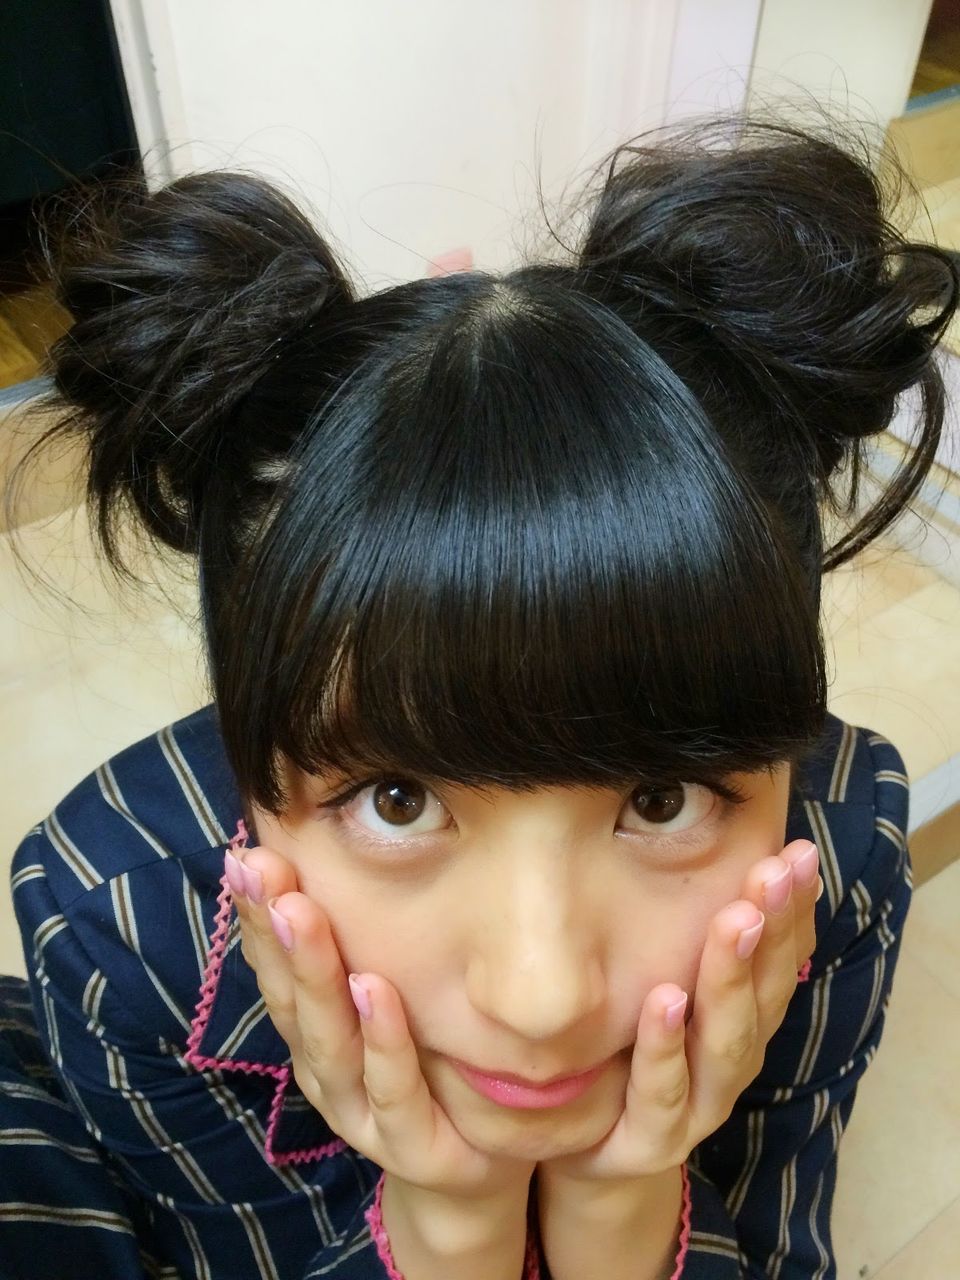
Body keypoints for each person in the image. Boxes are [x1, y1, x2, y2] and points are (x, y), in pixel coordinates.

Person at [1, 111, 956, 1280]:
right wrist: (446, 1221)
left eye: (661, 798)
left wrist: (624, 1205)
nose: (542, 997)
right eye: (399, 797)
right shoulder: (117, 925)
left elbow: (781, 1239)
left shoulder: (839, 856)